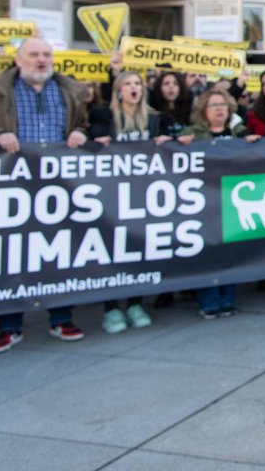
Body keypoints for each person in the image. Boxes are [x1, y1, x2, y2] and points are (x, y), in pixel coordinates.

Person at [0, 37, 90, 354]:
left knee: (58, 250)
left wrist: (81, 132)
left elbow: (82, 124)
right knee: (12, 253)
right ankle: (10, 326)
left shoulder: (69, 89)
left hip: (57, 184)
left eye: (47, 55)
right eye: (34, 54)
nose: (42, 60)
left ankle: (61, 317)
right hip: (14, 185)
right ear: (19, 59)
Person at [88, 70, 172, 333]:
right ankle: (111, 308)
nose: (134, 87)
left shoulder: (156, 119)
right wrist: (94, 142)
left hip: (143, 194)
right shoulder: (104, 117)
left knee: (138, 249)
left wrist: (167, 142)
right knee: (108, 250)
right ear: (118, 90)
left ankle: (135, 303)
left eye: (138, 83)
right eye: (128, 84)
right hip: (110, 195)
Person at [185, 87, 260, 317]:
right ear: (203, 110)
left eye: (223, 105)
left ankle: (228, 297)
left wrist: (254, 142)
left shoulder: (240, 133)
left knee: (230, 251)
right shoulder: (193, 135)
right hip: (204, 202)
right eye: (214, 105)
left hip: (230, 202)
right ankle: (209, 299)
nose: (219, 109)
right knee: (208, 252)